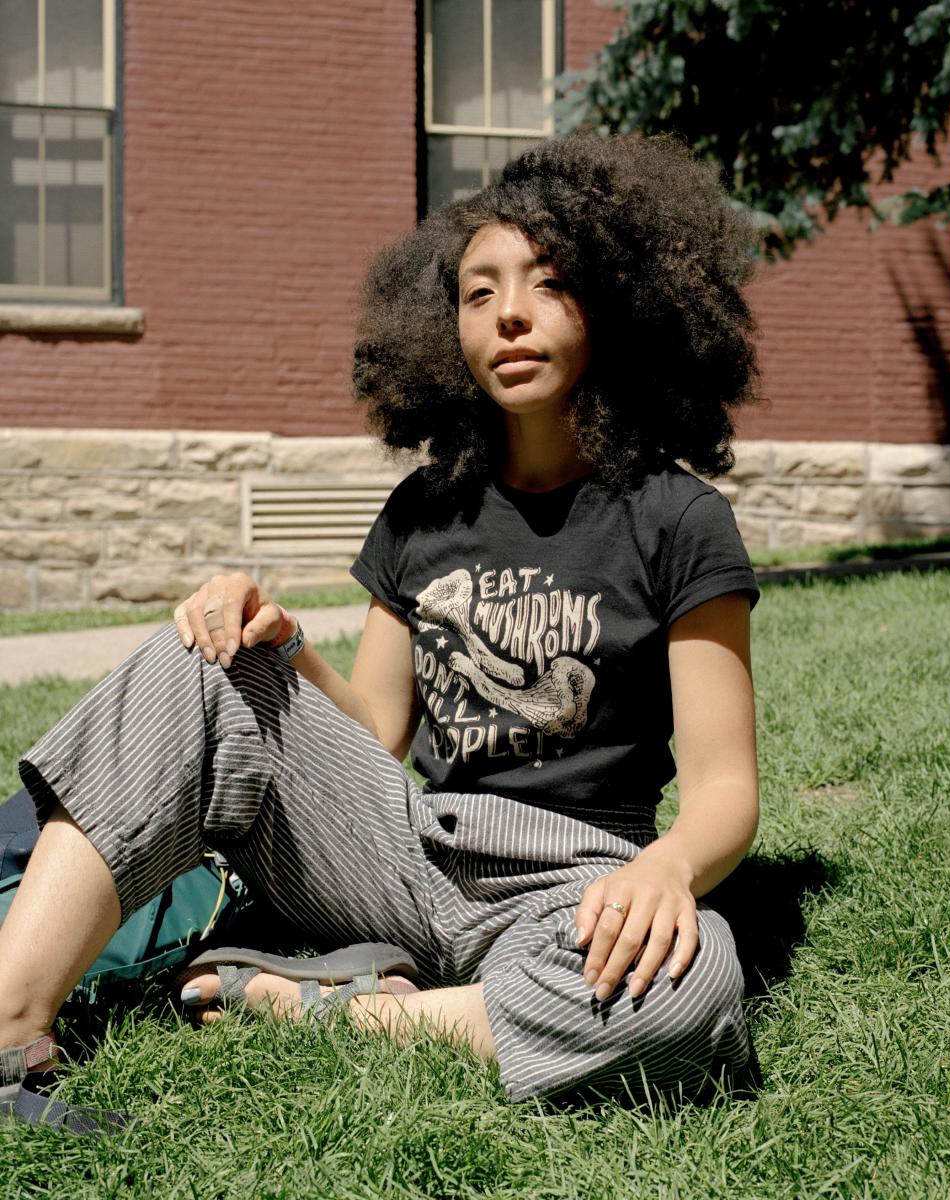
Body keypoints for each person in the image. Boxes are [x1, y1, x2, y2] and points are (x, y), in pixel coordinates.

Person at [0, 133, 761, 1107]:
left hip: (573, 879)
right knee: (198, 658)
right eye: (479, 293)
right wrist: (278, 645)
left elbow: (726, 787)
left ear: (615, 304)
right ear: (446, 328)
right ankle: (14, 1035)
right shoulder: (422, 513)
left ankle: (331, 1005)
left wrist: (669, 871)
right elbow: (376, 732)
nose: (511, 317)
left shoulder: (677, 520)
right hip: (406, 846)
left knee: (694, 984)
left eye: (547, 283)